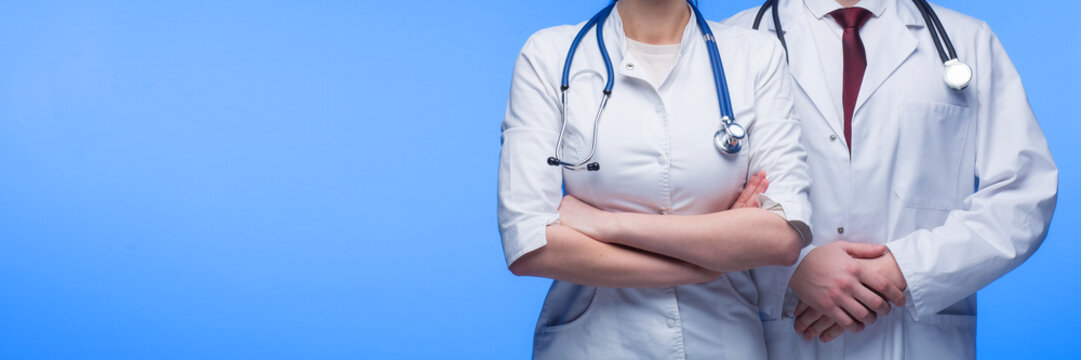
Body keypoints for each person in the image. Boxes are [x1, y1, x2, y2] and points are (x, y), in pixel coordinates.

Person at [496, 0, 841, 358]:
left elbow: (781, 238)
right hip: (594, 343)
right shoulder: (549, 55)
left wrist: (603, 224)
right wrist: (706, 264)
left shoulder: (754, 56)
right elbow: (529, 244)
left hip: (722, 341)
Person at [723, 0, 1058, 358]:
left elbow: (1024, 196)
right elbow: (690, 203)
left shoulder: (968, 42)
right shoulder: (733, 44)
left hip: (916, 339)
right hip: (782, 338)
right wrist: (790, 270)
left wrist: (903, 269)